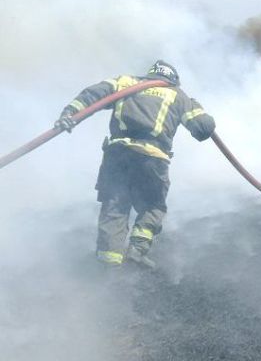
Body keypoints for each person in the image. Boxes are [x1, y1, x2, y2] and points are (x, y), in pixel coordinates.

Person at [56, 60, 216, 269]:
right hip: (151, 158)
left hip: (117, 155)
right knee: (152, 205)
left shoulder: (126, 83)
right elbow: (203, 129)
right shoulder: (178, 95)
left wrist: (69, 114)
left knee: (115, 205)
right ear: (174, 79)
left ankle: (107, 265)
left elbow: (93, 94)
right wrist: (194, 105)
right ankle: (137, 251)